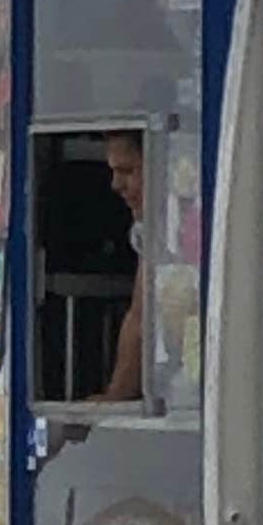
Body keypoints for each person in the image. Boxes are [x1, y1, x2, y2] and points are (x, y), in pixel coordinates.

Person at [92, 128, 146, 404]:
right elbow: (139, 314)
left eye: (127, 171)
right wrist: (115, 396)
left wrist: (117, 395)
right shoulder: (150, 231)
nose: (116, 184)